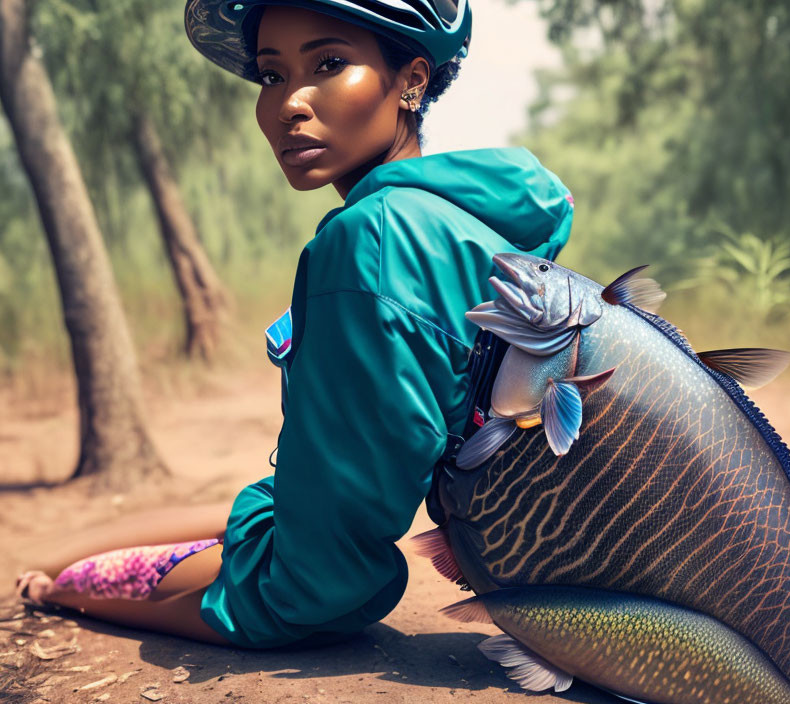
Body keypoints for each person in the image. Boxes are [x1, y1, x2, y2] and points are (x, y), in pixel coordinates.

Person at [15, 0, 574, 648]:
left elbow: (309, 588)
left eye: (329, 63)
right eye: (272, 75)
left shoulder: (375, 240)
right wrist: (53, 556)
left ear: (412, 81)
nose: (289, 104)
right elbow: (299, 500)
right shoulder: (460, 225)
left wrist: (69, 592)